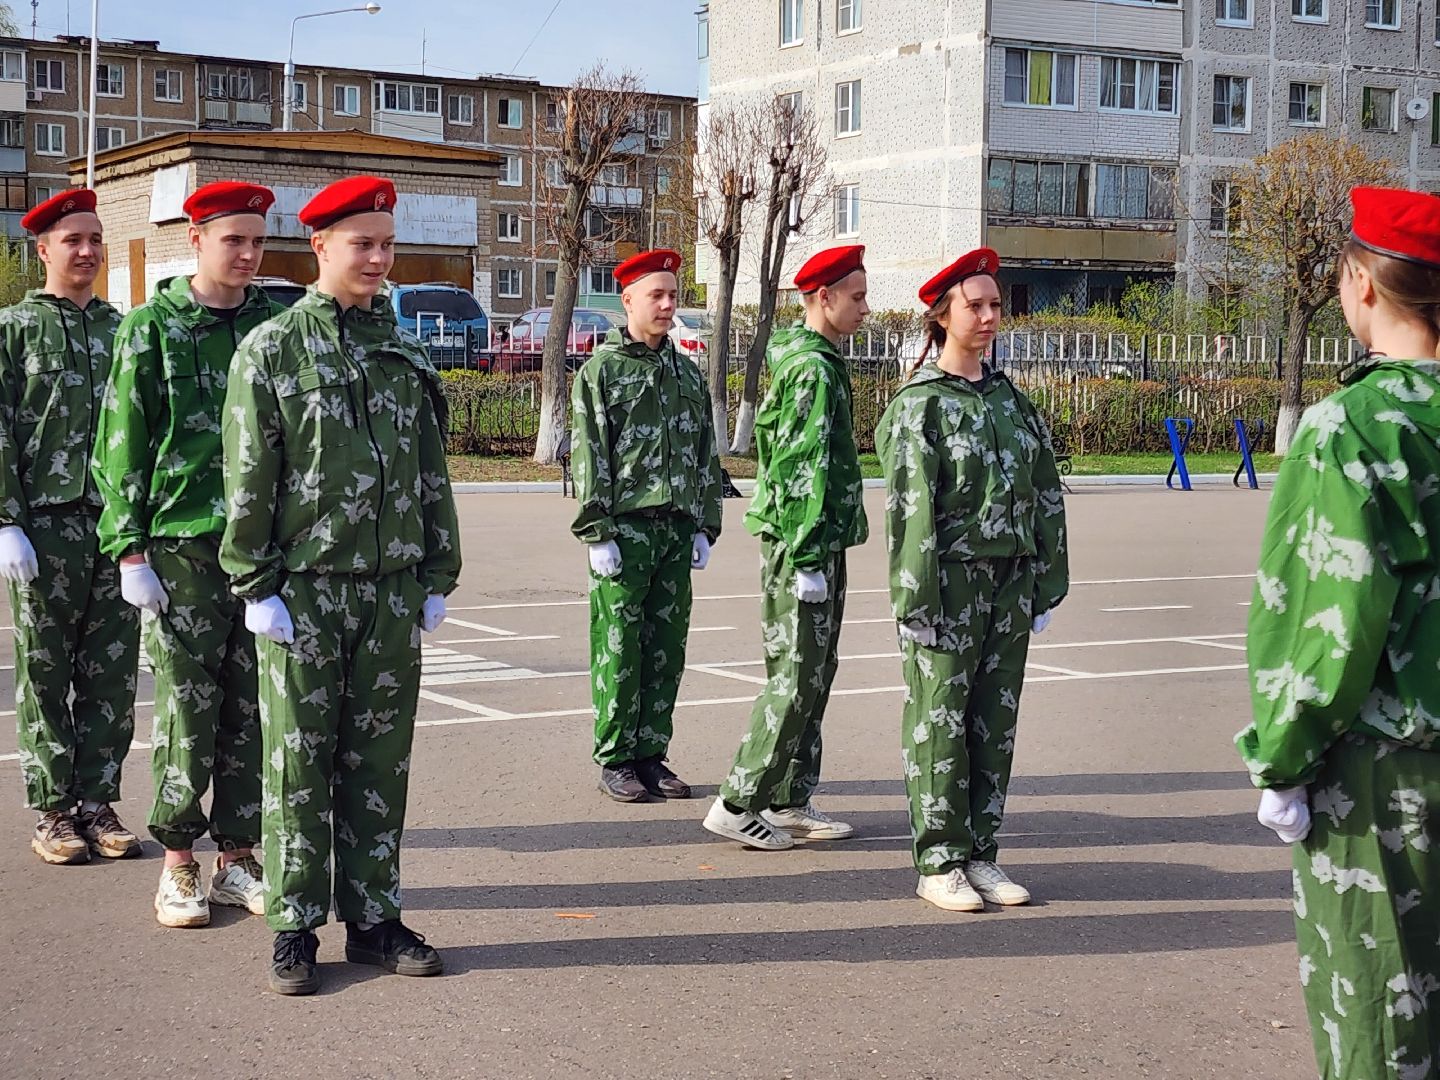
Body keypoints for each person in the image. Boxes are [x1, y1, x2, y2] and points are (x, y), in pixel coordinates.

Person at [220, 175, 461, 995]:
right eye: (363, 243)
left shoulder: (402, 348)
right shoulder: (274, 349)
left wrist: (437, 571)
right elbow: (250, 471)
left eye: (387, 244)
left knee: (380, 762)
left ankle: (373, 917)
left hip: (390, 592)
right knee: (297, 763)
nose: (379, 258)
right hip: (307, 593)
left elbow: (431, 471)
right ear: (319, 246)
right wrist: (256, 584)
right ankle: (294, 927)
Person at [1238, 186, 1440, 1080]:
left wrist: (1282, 760)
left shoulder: (1348, 426)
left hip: (1384, 773)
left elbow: (1326, 618)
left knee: (1380, 1031)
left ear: (1361, 285)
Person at [94, 182, 284, 927]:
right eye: (232, 239)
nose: (246, 254)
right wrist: (129, 553)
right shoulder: (152, 329)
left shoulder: (273, 324)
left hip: (262, 550)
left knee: (253, 708)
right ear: (197, 241)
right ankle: (178, 862)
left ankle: (237, 858)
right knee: (185, 707)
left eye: (257, 241)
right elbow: (123, 445)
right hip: (181, 548)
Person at [875, 248, 1068, 912]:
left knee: (995, 721)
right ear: (941, 316)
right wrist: (915, 597)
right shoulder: (919, 407)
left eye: (995, 305)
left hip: (1009, 584)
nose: (990, 317)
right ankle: (938, 859)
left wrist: (1046, 580)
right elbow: (910, 510)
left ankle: (981, 854)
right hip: (949, 585)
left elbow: (1047, 490)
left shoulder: (1010, 400)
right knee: (940, 720)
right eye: (975, 306)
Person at [703, 245, 869, 850]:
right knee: (795, 678)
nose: (865, 309)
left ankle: (790, 798)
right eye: (855, 297)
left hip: (818, 542)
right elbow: (802, 467)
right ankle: (738, 801)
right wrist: (804, 557)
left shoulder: (817, 360)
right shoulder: (812, 370)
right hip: (806, 545)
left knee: (814, 675)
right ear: (822, 298)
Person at [0, 189, 141, 865]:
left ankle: (97, 801)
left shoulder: (123, 331)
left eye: (94, 239)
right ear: (43, 250)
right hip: (45, 526)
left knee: (111, 673)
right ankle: (54, 809)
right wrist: (6, 521)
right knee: (46, 670)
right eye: (72, 240)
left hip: (115, 527)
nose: (85, 251)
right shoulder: (14, 331)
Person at [570, 249, 724, 803]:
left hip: (675, 530)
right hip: (626, 530)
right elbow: (589, 452)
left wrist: (706, 522)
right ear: (627, 299)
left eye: (672, 295)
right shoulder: (603, 371)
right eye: (654, 295)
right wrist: (598, 531)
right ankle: (616, 757)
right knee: (619, 644)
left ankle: (651, 753)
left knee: (666, 647)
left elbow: (705, 451)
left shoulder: (684, 370)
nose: (666, 304)